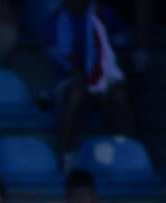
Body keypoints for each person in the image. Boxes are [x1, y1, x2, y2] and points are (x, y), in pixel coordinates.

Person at [46, 0, 133, 152]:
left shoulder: (106, 15)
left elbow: (120, 48)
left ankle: (128, 152)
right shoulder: (57, 19)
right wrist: (84, 77)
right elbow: (63, 58)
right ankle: (67, 154)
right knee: (76, 95)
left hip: (104, 74)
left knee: (119, 96)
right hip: (69, 79)